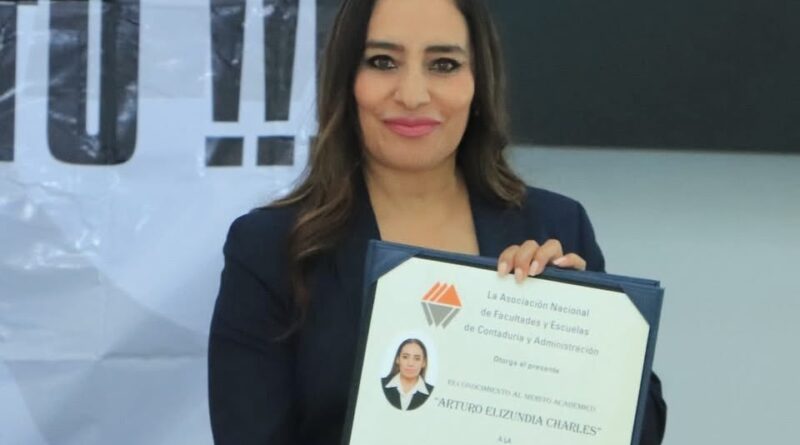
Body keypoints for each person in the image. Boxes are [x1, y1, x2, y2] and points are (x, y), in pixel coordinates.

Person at [208, 0, 667, 443]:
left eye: (443, 65)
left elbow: (642, 429)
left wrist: (583, 334)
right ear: (347, 80)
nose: (412, 94)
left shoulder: (556, 225)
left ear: (478, 83)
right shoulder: (269, 248)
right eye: (383, 62)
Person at [381, 339, 434, 411]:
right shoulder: (381, 384)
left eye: (417, 359)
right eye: (405, 357)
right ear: (397, 359)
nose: (410, 363)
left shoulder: (432, 392)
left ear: (423, 363)